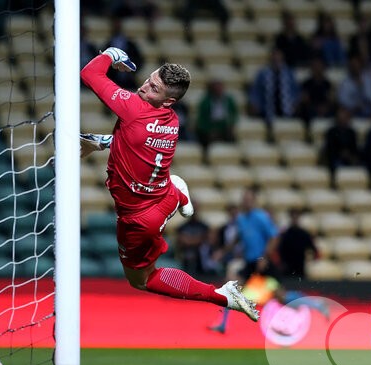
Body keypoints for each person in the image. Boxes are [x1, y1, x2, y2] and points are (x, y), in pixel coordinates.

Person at [79, 47, 259, 322]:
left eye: (153, 88)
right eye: (148, 80)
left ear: (168, 101)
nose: (143, 88)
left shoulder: (132, 109)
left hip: (138, 218)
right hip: (160, 197)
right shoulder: (172, 121)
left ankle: (221, 295)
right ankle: (178, 196)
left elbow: (89, 72)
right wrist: (106, 141)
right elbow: (136, 143)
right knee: (161, 184)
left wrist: (113, 55)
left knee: (141, 280)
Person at [208, 186, 277, 332]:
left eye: (249, 199)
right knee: (232, 290)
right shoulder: (241, 219)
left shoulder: (261, 217)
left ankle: (313, 306)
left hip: (262, 261)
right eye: (245, 199)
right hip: (250, 262)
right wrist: (222, 251)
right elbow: (238, 238)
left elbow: (274, 237)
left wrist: (264, 257)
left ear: (254, 201)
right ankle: (223, 324)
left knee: (281, 295)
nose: (247, 202)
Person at [247, 47, 300, 126]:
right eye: (274, 55)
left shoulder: (289, 73)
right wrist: (255, 103)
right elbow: (256, 91)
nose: (276, 58)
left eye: (278, 55)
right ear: (271, 57)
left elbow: (295, 90)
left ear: (282, 57)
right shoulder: (262, 74)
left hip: (287, 110)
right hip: (267, 111)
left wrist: (295, 103)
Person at [195, 77, 238, 152]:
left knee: (232, 138)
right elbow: (202, 120)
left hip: (224, 127)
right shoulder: (205, 102)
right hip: (209, 129)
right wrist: (209, 130)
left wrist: (231, 124)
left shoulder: (228, 100)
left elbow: (234, 114)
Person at [322, 106, 361, 188]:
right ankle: (335, 184)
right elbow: (329, 149)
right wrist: (340, 154)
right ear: (337, 118)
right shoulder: (331, 132)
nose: (343, 118)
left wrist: (350, 156)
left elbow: (355, 148)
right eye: (341, 116)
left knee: (358, 165)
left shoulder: (352, 132)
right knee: (335, 165)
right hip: (335, 159)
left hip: (349, 159)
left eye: (345, 116)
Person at [277, 208, 320, 278]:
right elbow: (279, 250)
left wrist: (313, 261)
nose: (295, 219)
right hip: (287, 268)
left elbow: (313, 249)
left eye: (296, 217)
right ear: (290, 217)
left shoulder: (304, 234)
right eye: (293, 217)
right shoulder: (285, 235)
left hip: (300, 267)